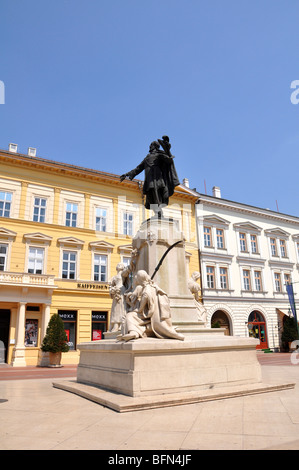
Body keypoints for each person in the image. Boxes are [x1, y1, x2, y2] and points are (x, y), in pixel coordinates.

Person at [120, 136, 180, 217]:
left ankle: (159, 213)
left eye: (151, 145)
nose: (150, 147)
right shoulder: (147, 157)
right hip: (149, 179)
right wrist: (127, 174)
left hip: (157, 178)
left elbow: (169, 160)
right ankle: (157, 213)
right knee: (151, 197)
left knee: (156, 194)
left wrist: (167, 150)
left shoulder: (159, 154)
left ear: (155, 146)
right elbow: (138, 168)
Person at [117, 270, 184, 342]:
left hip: (148, 314)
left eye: (136, 278)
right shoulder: (150, 287)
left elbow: (140, 310)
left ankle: (134, 332)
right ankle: (133, 332)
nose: (135, 279)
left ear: (139, 279)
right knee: (129, 316)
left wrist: (134, 307)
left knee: (130, 316)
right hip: (152, 312)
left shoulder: (146, 291)